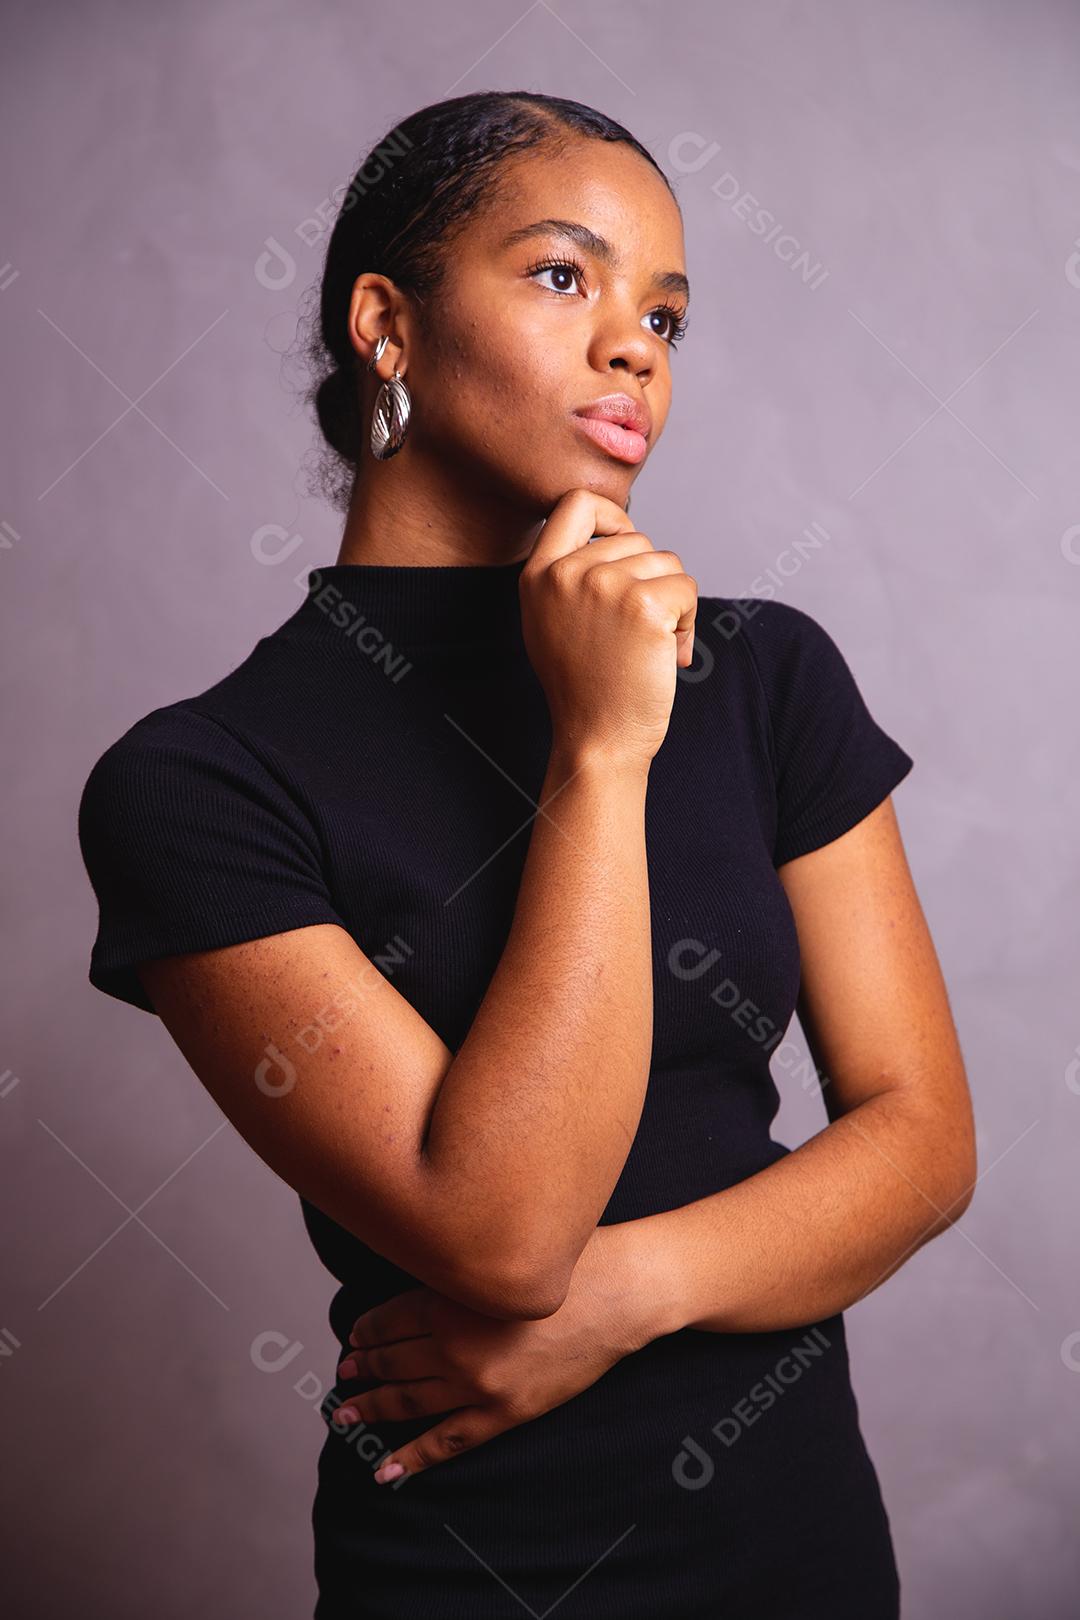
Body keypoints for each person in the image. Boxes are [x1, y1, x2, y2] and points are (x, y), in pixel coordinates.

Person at [77, 90, 976, 1619]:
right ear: (388, 325)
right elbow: (499, 1236)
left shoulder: (763, 676)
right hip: (467, 1567)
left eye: (665, 316)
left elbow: (923, 1141)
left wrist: (619, 1299)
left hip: (797, 1550)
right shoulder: (199, 784)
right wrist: (601, 751)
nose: (636, 348)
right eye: (565, 276)